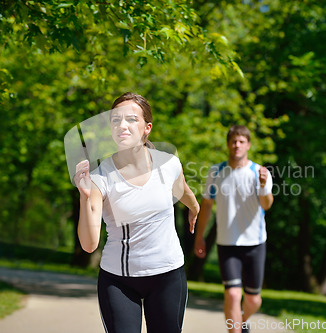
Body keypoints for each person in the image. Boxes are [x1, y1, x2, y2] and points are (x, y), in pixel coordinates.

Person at [74, 92, 200, 333]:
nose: (122, 125)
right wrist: (84, 194)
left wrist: (194, 207)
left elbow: (182, 189)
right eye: (115, 120)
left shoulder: (169, 164)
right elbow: (89, 245)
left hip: (168, 275)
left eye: (131, 119)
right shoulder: (100, 178)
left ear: (147, 128)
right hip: (119, 281)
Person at [194, 125, 274, 333]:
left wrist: (264, 185)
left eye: (241, 141)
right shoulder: (215, 172)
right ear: (228, 144)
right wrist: (199, 237)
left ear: (248, 145)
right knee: (232, 295)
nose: (237, 145)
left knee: (254, 300)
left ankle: (242, 321)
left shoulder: (259, 172)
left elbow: (266, 204)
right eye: (233, 141)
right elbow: (207, 206)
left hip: (255, 244)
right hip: (227, 243)